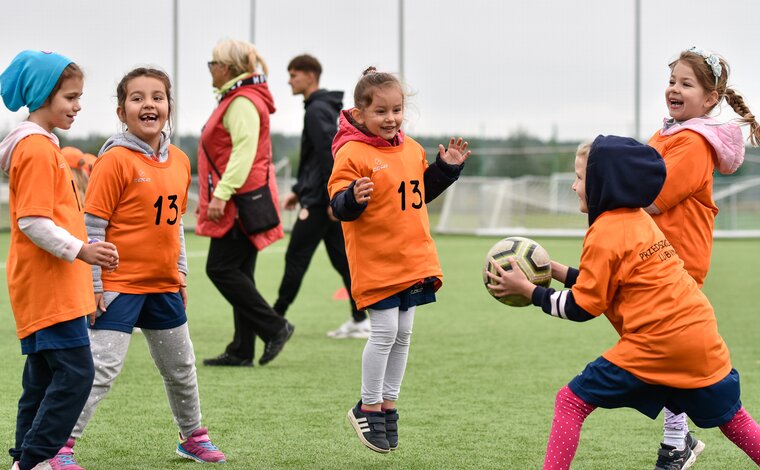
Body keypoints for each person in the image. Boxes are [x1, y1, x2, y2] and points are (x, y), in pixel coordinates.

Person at [485, 135, 760, 470]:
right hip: (700, 336)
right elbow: (607, 286)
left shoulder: (604, 232)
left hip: (657, 343)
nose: (573, 186)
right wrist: (552, 270)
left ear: (603, 182)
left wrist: (530, 293)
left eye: (580, 178)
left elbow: (582, 308)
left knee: (570, 402)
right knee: (734, 421)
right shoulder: (639, 221)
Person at [53, 67, 226, 467]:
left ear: (169, 106)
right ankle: (60, 445)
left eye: (157, 97)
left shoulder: (180, 161)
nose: (148, 104)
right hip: (118, 286)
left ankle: (192, 436)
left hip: (163, 286)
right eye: (137, 98)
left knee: (181, 368)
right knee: (100, 372)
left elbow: (176, 225)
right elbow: (92, 228)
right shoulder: (113, 161)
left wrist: (180, 273)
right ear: (121, 110)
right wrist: (95, 284)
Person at [328, 67, 471, 453]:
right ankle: (367, 404)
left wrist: (446, 169)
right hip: (378, 260)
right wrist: (351, 198)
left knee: (404, 333)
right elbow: (337, 204)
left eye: (397, 110)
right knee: (385, 331)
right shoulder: (352, 152)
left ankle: (388, 405)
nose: (390, 119)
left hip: (413, 256)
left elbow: (418, 193)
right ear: (359, 114)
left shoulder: (412, 148)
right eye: (381, 112)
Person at [0, 50, 118, 470]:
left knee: (42, 380)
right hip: (47, 286)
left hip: (53, 286)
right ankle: (35, 461)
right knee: (76, 374)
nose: (78, 105)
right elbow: (33, 221)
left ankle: (24, 460)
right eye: (70, 96)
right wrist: (82, 250)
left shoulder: (45, 145)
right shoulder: (34, 148)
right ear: (42, 95)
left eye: (79, 96)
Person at [645, 46, 760, 469]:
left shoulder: (693, 143)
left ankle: (678, 442)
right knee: (665, 354)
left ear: (710, 99)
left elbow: (654, 200)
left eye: (686, 83)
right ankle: (679, 440)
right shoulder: (666, 135)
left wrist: (605, 190)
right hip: (655, 263)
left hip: (678, 267)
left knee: (672, 357)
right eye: (672, 80)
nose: (674, 89)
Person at [197, 39, 294, 367]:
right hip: (244, 197)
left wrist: (222, 194)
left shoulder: (241, 101)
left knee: (220, 268)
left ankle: (275, 327)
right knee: (239, 272)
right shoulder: (239, 98)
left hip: (239, 201)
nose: (209, 69)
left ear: (227, 68)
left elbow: (244, 151)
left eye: (212, 63)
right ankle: (241, 349)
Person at [273, 54, 369, 339]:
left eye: (293, 75)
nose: (290, 80)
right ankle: (360, 319)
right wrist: (299, 190)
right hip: (319, 197)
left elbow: (331, 154)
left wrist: (332, 198)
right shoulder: (322, 108)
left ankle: (273, 320)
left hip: (320, 203)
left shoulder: (316, 110)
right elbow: (317, 159)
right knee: (343, 261)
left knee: (295, 258)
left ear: (310, 76)